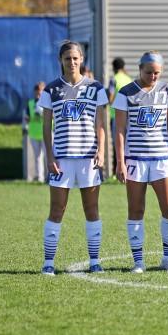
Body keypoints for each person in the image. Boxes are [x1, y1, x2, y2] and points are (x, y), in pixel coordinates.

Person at [37, 41, 108, 275]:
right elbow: (46, 127)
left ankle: (95, 261)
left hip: (88, 158)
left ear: (82, 60)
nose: (72, 62)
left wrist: (101, 151)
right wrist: (50, 156)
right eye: (68, 58)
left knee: (92, 210)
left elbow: (101, 123)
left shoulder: (96, 88)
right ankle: (48, 263)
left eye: (76, 58)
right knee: (57, 210)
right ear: (61, 60)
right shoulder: (51, 90)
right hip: (62, 159)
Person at [113, 51, 168, 273]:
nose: (153, 76)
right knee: (136, 209)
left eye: (157, 73)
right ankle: (138, 262)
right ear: (139, 69)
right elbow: (120, 130)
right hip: (135, 159)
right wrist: (120, 161)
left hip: (162, 158)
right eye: (149, 72)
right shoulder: (125, 93)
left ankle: (167, 259)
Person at [107, 57, 133, 164]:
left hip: (116, 116)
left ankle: (116, 170)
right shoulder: (129, 79)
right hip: (130, 116)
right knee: (128, 143)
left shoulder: (114, 79)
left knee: (117, 143)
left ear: (114, 67)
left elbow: (110, 98)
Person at [23, 81, 46, 182]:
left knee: (48, 156)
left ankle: (50, 176)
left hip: (46, 133)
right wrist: (27, 123)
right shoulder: (30, 103)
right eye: (37, 92)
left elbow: (54, 116)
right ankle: (40, 177)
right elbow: (27, 117)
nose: (38, 94)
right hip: (34, 133)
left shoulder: (48, 102)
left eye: (40, 91)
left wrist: (43, 114)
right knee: (37, 157)